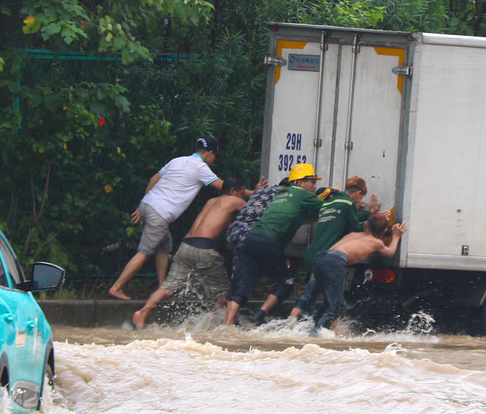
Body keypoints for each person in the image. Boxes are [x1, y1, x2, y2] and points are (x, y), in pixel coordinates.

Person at [107, 135, 223, 300]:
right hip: (160, 213)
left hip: (147, 205)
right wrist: (250, 192)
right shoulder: (200, 167)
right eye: (215, 155)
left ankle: (162, 287)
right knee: (145, 251)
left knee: (164, 244)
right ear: (210, 153)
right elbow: (223, 187)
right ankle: (117, 287)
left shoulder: (177, 160)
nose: (215, 159)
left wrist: (142, 205)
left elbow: (153, 179)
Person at [131, 178, 248, 329]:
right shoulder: (234, 201)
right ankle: (220, 325)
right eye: (242, 193)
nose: (243, 197)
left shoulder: (211, 201)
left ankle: (142, 313)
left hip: (184, 247)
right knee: (222, 290)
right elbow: (254, 210)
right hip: (204, 249)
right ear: (233, 191)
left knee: (168, 287)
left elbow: (218, 224)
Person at [223, 163, 324, 326]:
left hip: (249, 240)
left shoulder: (281, 193)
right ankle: (260, 315)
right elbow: (327, 208)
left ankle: (225, 329)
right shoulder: (301, 193)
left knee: (240, 292)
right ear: (299, 182)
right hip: (268, 243)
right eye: (311, 181)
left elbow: (298, 217)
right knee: (286, 282)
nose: (314, 186)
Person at [290, 213, 406, 333]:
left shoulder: (352, 235)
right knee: (336, 307)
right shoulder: (376, 243)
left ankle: (302, 318)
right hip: (335, 262)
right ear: (383, 232)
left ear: (366, 225)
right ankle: (316, 334)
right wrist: (396, 236)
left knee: (320, 299)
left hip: (321, 259)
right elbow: (390, 252)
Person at [290, 176, 378, 318]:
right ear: (358, 194)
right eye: (362, 198)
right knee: (335, 304)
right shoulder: (348, 203)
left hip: (313, 255)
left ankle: (291, 322)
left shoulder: (330, 203)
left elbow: (342, 218)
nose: (361, 202)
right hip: (327, 260)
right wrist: (373, 220)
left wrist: (367, 213)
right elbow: (354, 228)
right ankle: (327, 330)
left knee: (308, 297)